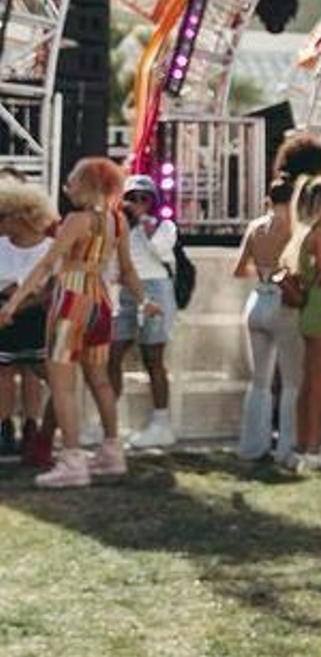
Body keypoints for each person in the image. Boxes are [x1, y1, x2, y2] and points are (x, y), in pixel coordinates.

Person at [0, 156, 152, 488]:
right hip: (101, 302)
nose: (68, 188)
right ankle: (112, 452)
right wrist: (145, 300)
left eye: (73, 181)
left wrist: (12, 303)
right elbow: (126, 271)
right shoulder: (117, 222)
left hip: (70, 303)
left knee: (62, 385)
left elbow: (44, 266)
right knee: (100, 381)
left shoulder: (76, 221)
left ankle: (72, 461)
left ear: (88, 185)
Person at [110, 172, 179, 451]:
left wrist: (147, 226)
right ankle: (109, 421)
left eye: (144, 198)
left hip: (155, 289)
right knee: (111, 355)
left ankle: (161, 423)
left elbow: (162, 251)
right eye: (131, 198)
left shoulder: (164, 225)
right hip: (125, 291)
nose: (137, 203)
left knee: (154, 358)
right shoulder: (117, 226)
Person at [279, 177, 321, 471]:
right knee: (320, 383)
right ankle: (314, 447)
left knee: (310, 381)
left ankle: (304, 443)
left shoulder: (303, 231)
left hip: (311, 310)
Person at [233, 178, 299, 467]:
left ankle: (252, 445)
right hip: (282, 301)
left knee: (259, 381)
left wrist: (263, 273)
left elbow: (239, 269)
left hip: (256, 298)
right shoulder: (295, 229)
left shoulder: (256, 227)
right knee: (291, 381)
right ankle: (287, 447)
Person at [0, 177, 56, 466]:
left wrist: (19, 300)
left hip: (36, 319)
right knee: (3, 372)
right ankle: (4, 427)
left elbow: (51, 290)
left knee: (35, 373)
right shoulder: (0, 245)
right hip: (5, 320)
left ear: (20, 216)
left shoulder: (50, 247)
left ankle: (33, 427)